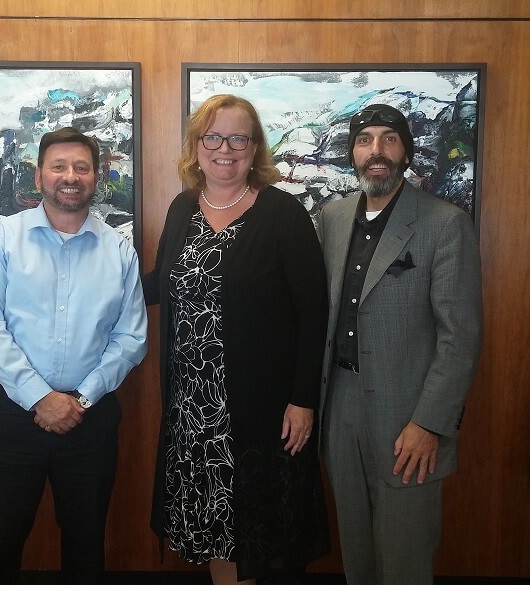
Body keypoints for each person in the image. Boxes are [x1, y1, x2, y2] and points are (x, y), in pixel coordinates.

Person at [142, 94, 330, 584]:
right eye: (213, 137)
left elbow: (313, 315)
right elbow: (160, 283)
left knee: (258, 525)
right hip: (193, 407)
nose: (224, 149)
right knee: (215, 525)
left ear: (255, 147)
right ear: (196, 146)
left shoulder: (283, 214)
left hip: (261, 407)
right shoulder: (182, 208)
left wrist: (303, 400)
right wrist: (88, 278)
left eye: (238, 138)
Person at [0, 126, 148, 584]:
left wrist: (80, 400)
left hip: (90, 420)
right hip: (10, 417)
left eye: (82, 167)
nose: (70, 176)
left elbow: (130, 338)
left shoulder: (118, 251)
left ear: (96, 176)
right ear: (39, 176)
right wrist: (40, 397)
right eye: (59, 166)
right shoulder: (3, 238)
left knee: (86, 548)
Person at [318, 104, 483, 584]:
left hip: (408, 415)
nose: (377, 151)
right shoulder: (332, 217)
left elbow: (460, 337)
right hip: (339, 408)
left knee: (403, 560)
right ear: (352, 153)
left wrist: (429, 423)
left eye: (389, 139)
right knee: (356, 555)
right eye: (365, 140)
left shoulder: (444, 223)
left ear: (406, 152)